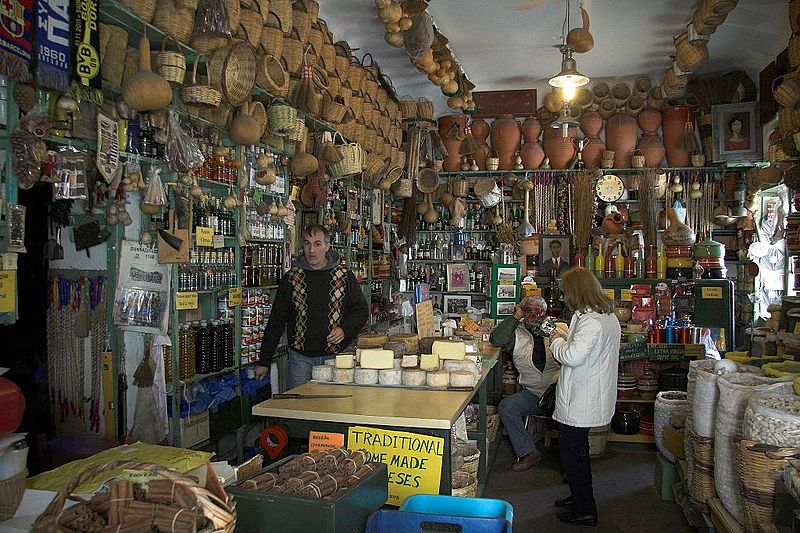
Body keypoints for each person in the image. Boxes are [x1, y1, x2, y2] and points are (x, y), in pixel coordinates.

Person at [255, 225, 369, 389]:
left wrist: (344, 329)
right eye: (307, 244)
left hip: (335, 357)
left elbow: (361, 311)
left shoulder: (343, 276)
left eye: (317, 244)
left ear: (327, 246)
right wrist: (264, 360)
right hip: (300, 359)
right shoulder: (292, 279)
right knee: (300, 409)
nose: (311, 250)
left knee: (335, 409)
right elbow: (276, 321)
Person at [548, 267, 620, 526]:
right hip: (590, 391)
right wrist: (568, 337)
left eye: (566, 291)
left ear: (576, 291)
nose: (564, 296)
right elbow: (587, 349)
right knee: (574, 450)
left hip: (584, 396)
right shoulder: (605, 316)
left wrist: (556, 340)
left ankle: (586, 508)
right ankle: (578, 496)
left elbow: (572, 356)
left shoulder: (591, 321)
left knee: (573, 451)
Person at [490, 296, 559, 472]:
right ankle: (528, 452)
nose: (535, 315)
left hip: (559, 391)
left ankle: (570, 462)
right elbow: (497, 340)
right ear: (522, 312)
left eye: (539, 311)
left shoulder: (557, 329)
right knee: (507, 407)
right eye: (529, 311)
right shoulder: (515, 333)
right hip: (533, 393)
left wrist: (554, 333)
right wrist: (515, 317)